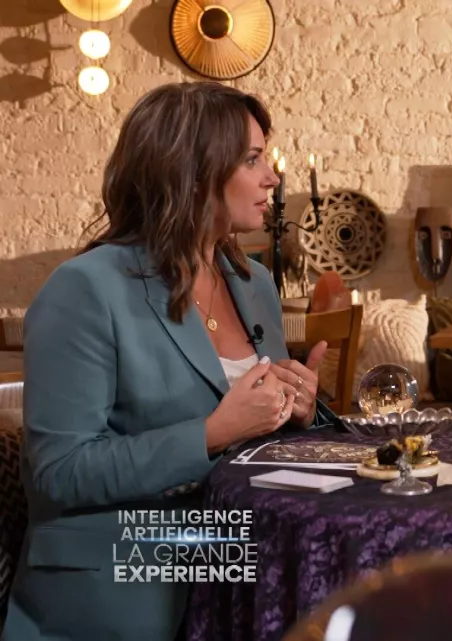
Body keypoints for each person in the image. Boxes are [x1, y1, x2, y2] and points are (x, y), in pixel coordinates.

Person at [3, 82, 330, 641]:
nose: (273, 179)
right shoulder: (84, 288)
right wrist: (212, 432)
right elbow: (61, 472)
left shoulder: (253, 282)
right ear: (194, 173)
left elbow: (259, 441)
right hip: (120, 569)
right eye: (252, 160)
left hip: (230, 552)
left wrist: (301, 410)